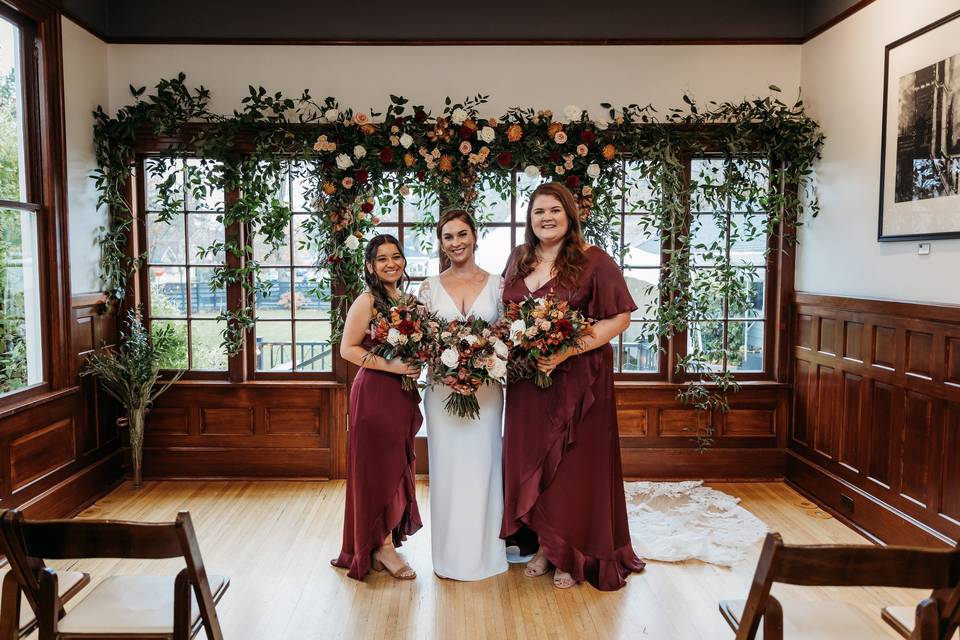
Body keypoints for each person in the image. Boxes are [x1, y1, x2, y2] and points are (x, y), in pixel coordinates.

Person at [501, 182, 646, 590]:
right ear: (529, 220)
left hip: (580, 384)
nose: (546, 218)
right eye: (538, 212)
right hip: (529, 382)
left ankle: (573, 552)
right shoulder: (518, 259)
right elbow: (507, 313)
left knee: (573, 468)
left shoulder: (594, 261)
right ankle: (546, 545)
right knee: (533, 462)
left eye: (554, 211)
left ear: (569, 215)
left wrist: (567, 351)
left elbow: (619, 319)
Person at [418, 209, 509, 581]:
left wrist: (481, 368)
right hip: (443, 393)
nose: (455, 243)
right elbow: (422, 344)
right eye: (448, 237)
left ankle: (487, 555)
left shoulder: (499, 285)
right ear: (441, 244)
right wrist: (448, 372)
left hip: (486, 392)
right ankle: (449, 557)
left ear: (474, 237)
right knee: (448, 471)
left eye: (461, 234)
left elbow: (506, 337)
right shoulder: (429, 286)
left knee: (484, 468)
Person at [331, 234, 423, 581]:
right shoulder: (366, 301)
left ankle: (386, 538)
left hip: (401, 396)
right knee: (377, 470)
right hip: (374, 395)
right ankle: (381, 546)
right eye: (381, 258)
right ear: (370, 265)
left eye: (396, 257)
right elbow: (348, 350)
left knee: (396, 464)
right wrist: (394, 367)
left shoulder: (410, 302)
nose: (390, 264)